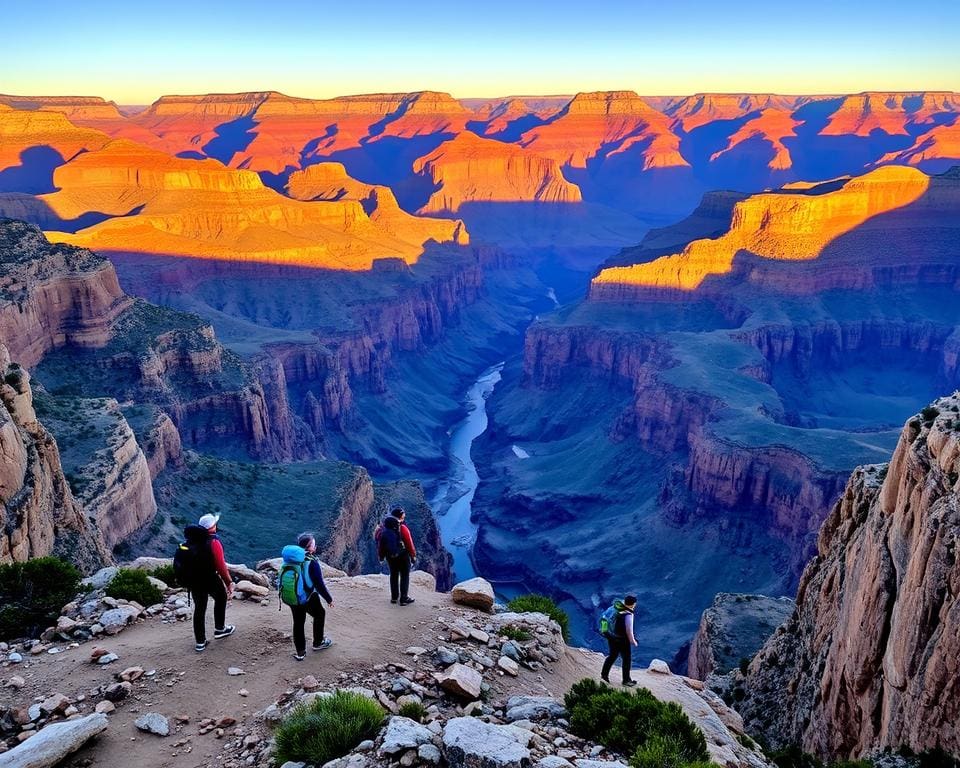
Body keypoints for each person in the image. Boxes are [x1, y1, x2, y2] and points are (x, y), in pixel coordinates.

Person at [184, 513, 235, 652]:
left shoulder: (191, 539)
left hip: (194, 580)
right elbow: (220, 565)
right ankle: (220, 629)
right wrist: (228, 582)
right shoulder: (213, 541)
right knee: (221, 598)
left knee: (199, 608)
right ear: (213, 526)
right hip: (209, 577)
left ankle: (200, 642)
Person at [289, 533, 335, 661]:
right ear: (309, 548)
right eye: (314, 545)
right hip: (308, 596)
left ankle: (300, 653)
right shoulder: (312, 563)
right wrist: (329, 599)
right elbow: (319, 584)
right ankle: (318, 642)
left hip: (293, 595)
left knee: (298, 623)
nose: (315, 547)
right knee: (320, 613)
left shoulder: (292, 559)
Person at [375, 506, 417, 605]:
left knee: (393, 575)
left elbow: (381, 544)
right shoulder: (402, 528)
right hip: (403, 556)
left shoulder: (384, 528)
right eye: (403, 515)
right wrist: (413, 556)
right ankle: (404, 599)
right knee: (404, 576)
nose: (404, 517)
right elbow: (409, 543)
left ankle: (394, 598)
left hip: (390, 556)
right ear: (400, 516)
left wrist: (381, 557)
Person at [601, 595, 638, 686]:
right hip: (622, 639)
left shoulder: (616, 607)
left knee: (612, 656)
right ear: (633, 604)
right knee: (626, 659)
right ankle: (626, 680)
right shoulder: (628, 614)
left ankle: (604, 676)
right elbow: (629, 631)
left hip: (611, 636)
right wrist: (633, 641)